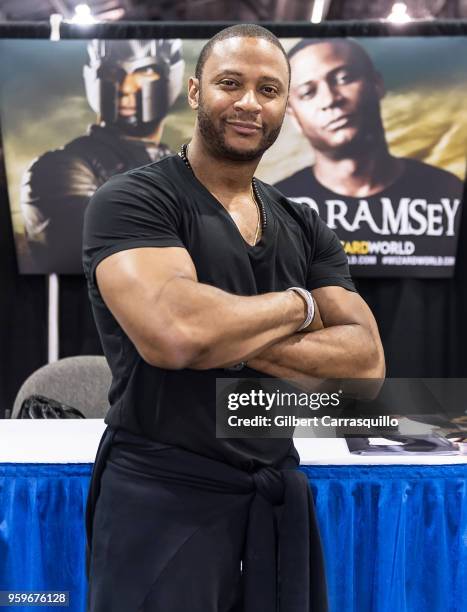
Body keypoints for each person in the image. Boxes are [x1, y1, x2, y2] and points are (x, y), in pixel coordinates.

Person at [83, 24, 385, 612]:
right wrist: (303, 306)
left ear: (285, 106)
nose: (250, 102)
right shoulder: (132, 200)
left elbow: (365, 370)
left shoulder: (301, 222)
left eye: (269, 89)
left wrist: (224, 330)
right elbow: (176, 335)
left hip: (275, 498)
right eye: (230, 84)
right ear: (195, 92)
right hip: (162, 494)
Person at [275, 39, 463, 274]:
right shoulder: (279, 208)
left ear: (377, 84)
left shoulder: (446, 190)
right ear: (293, 116)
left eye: (343, 78)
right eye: (308, 92)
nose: (330, 100)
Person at [20, 38, 184, 273]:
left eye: (145, 70)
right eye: (111, 71)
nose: (125, 87)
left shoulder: (177, 165)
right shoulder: (60, 168)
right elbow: (97, 255)